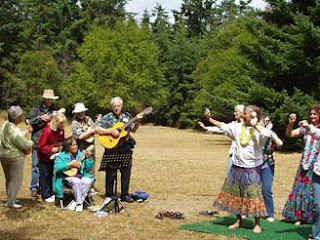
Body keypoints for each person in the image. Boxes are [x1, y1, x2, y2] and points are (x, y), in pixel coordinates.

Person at [205, 105, 270, 233]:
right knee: (236, 195)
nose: (243, 115)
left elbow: (266, 135)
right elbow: (223, 126)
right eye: (244, 113)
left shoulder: (260, 129)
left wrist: (255, 124)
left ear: (254, 116)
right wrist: (209, 119)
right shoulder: (237, 127)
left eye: (247, 113)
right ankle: (238, 220)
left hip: (252, 167)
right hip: (237, 166)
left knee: (253, 195)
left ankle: (257, 223)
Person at [95, 96, 143, 203]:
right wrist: (110, 132)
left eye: (118, 106)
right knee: (110, 172)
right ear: (112, 107)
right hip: (111, 148)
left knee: (126, 171)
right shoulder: (107, 117)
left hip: (125, 148)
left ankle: (125, 194)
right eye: (114, 106)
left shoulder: (127, 117)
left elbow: (134, 130)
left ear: (122, 106)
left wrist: (138, 121)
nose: (116, 108)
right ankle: (109, 194)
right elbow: (97, 128)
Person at [282, 105, 320, 225]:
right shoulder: (305, 128)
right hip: (304, 163)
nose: (312, 116)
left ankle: (310, 217)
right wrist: (291, 123)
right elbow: (290, 134)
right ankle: (299, 217)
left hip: (316, 164)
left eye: (315, 114)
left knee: (311, 191)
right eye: (311, 114)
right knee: (300, 189)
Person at [26, 89, 59, 197]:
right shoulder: (36, 109)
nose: (49, 100)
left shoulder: (55, 109)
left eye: (51, 99)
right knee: (36, 165)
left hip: (50, 143)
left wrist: (54, 117)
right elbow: (28, 120)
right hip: (37, 140)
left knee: (48, 167)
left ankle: (46, 187)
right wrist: (40, 118)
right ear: (44, 99)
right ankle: (34, 187)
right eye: (48, 98)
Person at [0, 106, 33, 208]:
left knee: (9, 179)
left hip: (4, 156)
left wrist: (25, 133)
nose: (22, 117)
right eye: (20, 115)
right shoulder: (15, 130)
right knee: (15, 180)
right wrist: (31, 142)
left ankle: (11, 198)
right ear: (17, 117)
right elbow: (24, 144)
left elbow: (13, 137)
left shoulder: (6, 125)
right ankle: (11, 202)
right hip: (14, 158)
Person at [199, 104, 245, 176]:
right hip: (234, 155)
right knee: (229, 177)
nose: (234, 113)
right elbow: (223, 128)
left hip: (246, 157)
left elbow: (224, 127)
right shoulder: (234, 124)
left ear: (242, 113)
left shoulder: (249, 125)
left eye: (236, 111)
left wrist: (210, 119)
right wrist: (207, 128)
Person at [53, 137, 95, 212]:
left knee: (88, 181)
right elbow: (57, 167)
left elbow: (88, 170)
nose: (75, 147)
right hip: (66, 177)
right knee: (76, 181)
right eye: (73, 145)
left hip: (80, 175)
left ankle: (77, 202)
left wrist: (89, 158)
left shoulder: (80, 154)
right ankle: (79, 203)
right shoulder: (61, 156)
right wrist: (70, 165)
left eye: (76, 145)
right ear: (68, 146)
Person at [70, 102, 99, 195]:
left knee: (91, 167)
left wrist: (97, 123)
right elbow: (81, 136)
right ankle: (82, 187)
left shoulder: (88, 119)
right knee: (82, 167)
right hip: (81, 149)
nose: (81, 114)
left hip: (91, 147)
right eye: (79, 112)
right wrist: (91, 130)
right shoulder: (74, 124)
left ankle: (91, 186)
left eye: (82, 112)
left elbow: (95, 128)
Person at [298, 119, 320, 240]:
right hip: (318, 173)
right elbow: (317, 133)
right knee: (318, 206)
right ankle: (316, 236)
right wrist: (308, 126)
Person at [37, 111, 66, 202]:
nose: (62, 125)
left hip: (54, 156)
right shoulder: (47, 131)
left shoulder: (61, 130)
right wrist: (50, 149)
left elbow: (61, 140)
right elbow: (40, 146)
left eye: (63, 124)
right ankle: (45, 195)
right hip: (44, 157)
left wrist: (61, 145)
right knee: (45, 175)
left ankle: (51, 192)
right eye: (60, 123)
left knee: (51, 174)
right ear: (56, 122)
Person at [260, 116, 283, 222]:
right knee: (250, 189)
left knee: (266, 189)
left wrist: (270, 133)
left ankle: (270, 214)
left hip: (268, 164)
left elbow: (280, 143)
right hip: (253, 165)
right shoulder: (253, 133)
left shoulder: (270, 133)